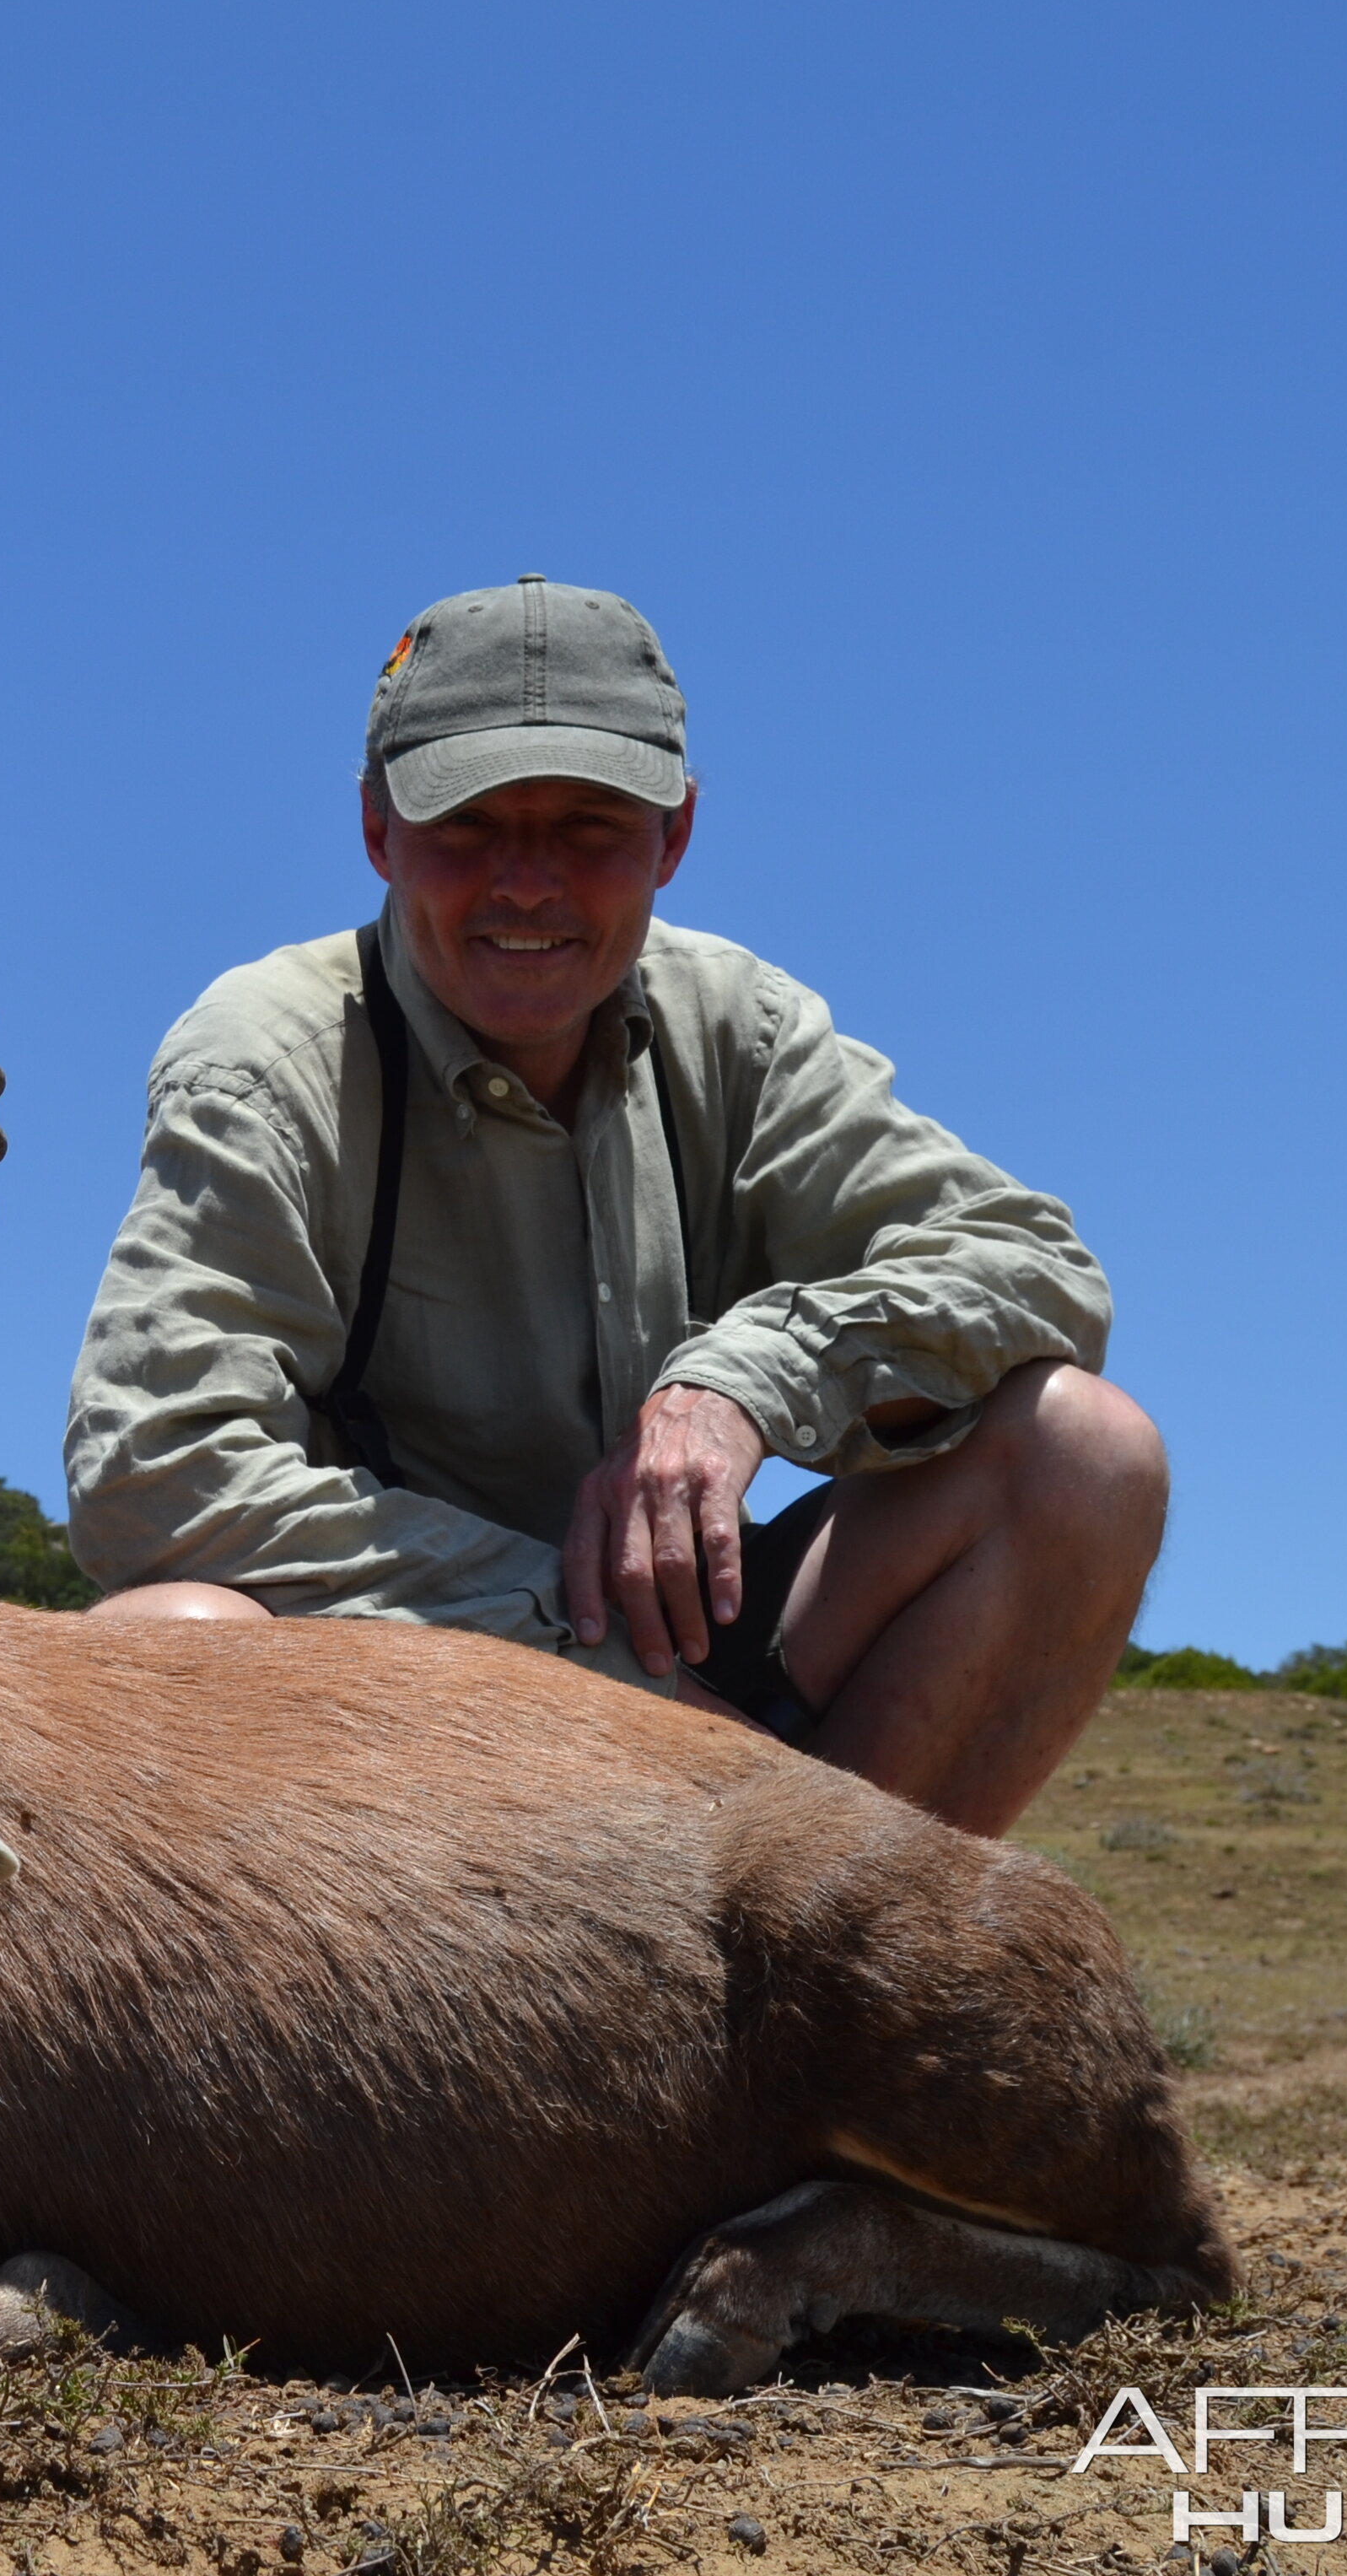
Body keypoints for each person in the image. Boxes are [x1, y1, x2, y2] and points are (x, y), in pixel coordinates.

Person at [62, 574, 1162, 1835]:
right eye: (468, 822)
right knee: (172, 1644)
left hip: (685, 1671)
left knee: (1085, 1457)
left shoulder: (734, 1023)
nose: (526, 883)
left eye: (591, 826)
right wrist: (591, 1669)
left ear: (674, 837)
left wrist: (745, 1383)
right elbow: (154, 1473)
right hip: (397, 1710)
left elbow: (1036, 1271)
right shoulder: (268, 1053)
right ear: (378, 832)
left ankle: (833, 1992)